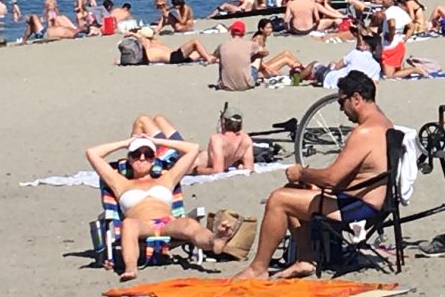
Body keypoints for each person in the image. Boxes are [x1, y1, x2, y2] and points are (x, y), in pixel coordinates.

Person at [233, 71, 394, 280]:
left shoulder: (364, 132)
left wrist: (302, 172)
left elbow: (333, 178)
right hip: (365, 198)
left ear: (356, 98)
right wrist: (309, 182)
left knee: (278, 199)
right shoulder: (384, 123)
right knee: (293, 192)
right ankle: (306, 260)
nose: (341, 109)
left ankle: (258, 268)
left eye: (341, 101)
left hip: (357, 206)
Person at [84, 135, 243, 280]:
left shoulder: (167, 178)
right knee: (128, 224)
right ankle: (131, 268)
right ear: (129, 159)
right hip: (141, 225)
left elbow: (193, 149)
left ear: (153, 159)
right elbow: (92, 153)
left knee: (188, 223)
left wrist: (157, 142)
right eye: (136, 154)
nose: (142, 158)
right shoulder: (119, 182)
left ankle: (215, 240)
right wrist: (125, 143)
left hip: (168, 223)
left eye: (148, 154)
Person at [131, 111, 255, 176]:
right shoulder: (246, 139)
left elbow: (218, 171)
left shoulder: (218, 138)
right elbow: (249, 168)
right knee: (159, 119)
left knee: (142, 120)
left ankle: (132, 159)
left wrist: (197, 170)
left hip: (177, 160)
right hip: (185, 151)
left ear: (223, 122)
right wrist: (237, 164)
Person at [133, 26, 214, 65]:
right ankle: (209, 59)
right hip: (174, 57)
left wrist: (133, 34)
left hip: (175, 57)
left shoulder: (148, 41)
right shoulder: (153, 41)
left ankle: (213, 59)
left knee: (201, 52)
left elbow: (144, 46)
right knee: (195, 43)